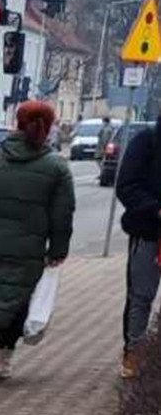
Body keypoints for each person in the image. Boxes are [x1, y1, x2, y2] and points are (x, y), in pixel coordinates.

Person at [0, 100, 75, 389]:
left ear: (17, 123)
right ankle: (2, 363)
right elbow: (63, 215)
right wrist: (57, 251)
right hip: (27, 252)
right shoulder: (56, 167)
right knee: (14, 304)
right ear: (48, 128)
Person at [112, 113, 161, 379]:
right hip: (149, 233)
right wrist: (155, 209)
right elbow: (127, 186)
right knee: (141, 297)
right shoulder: (147, 141)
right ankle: (134, 352)